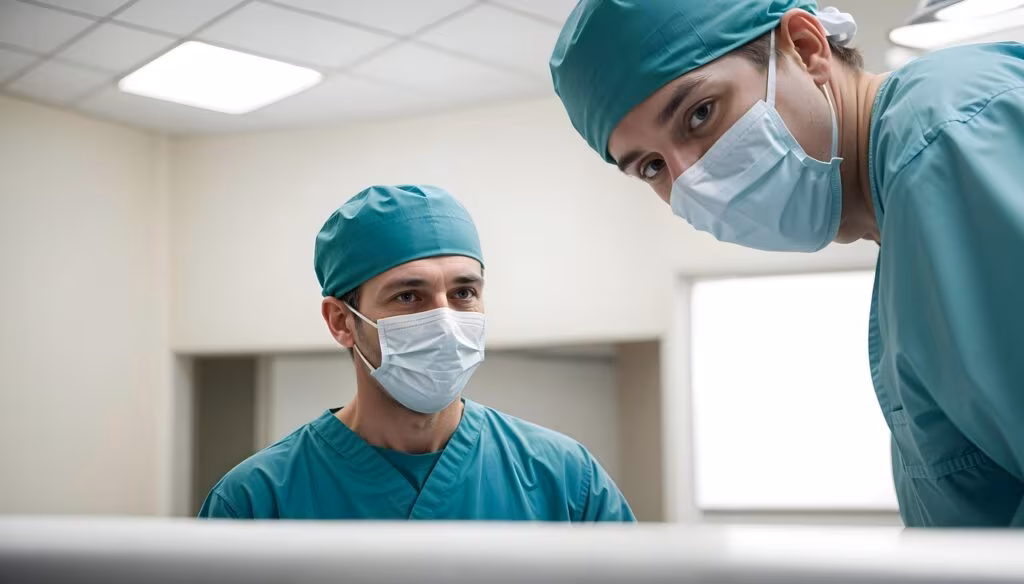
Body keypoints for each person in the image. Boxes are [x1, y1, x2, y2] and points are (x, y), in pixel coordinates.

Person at [550, 0, 1024, 527]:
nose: (693, 178)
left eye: (700, 114)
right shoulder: (904, 202)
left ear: (806, 48)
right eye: (653, 166)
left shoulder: (945, 145)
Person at [199, 184, 634, 521]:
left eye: (464, 292)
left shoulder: (564, 479)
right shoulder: (257, 501)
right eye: (409, 296)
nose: (445, 320)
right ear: (340, 321)